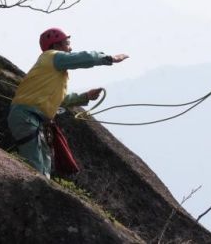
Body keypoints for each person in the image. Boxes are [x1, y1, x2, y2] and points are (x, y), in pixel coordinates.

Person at [7, 27, 128, 177]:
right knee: (36, 167)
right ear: (56, 45)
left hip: (32, 119)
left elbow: (59, 100)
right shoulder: (52, 56)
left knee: (44, 168)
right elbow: (81, 58)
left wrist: (85, 96)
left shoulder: (52, 69)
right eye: (67, 44)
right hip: (27, 117)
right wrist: (109, 58)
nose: (70, 48)